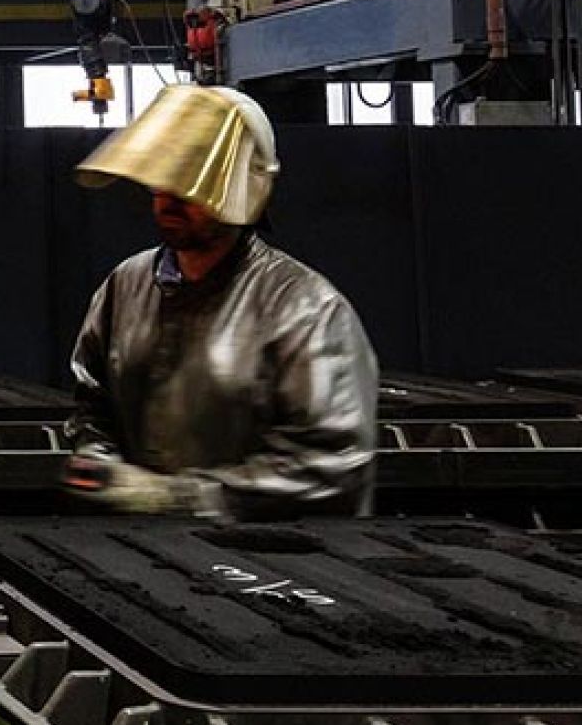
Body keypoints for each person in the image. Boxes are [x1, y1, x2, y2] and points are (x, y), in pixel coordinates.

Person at [61, 84, 380, 520]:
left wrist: (179, 498)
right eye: (161, 177)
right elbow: (91, 403)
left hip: (264, 552)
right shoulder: (126, 286)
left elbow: (331, 466)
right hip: (142, 545)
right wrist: (99, 463)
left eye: (191, 182)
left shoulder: (306, 309)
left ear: (244, 190)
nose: (168, 198)